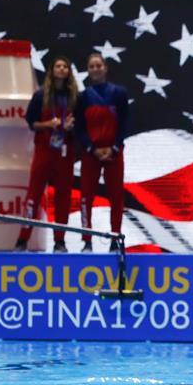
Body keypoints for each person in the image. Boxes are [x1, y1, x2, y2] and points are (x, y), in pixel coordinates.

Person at [15, 56, 78, 253]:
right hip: (44, 151)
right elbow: (31, 123)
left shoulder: (75, 97)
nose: (62, 69)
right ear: (51, 71)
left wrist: (69, 127)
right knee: (33, 196)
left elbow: (81, 126)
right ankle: (22, 240)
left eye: (65, 66)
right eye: (58, 66)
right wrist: (48, 125)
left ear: (69, 72)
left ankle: (60, 241)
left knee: (63, 199)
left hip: (65, 154)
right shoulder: (40, 95)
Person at [75, 53, 129, 253]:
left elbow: (124, 124)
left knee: (116, 197)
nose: (96, 69)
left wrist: (114, 147)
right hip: (91, 155)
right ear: (88, 71)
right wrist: (92, 149)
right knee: (86, 198)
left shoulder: (119, 93)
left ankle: (115, 238)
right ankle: (87, 240)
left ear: (105, 68)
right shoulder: (82, 97)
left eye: (99, 65)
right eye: (91, 66)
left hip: (114, 154)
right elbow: (79, 128)